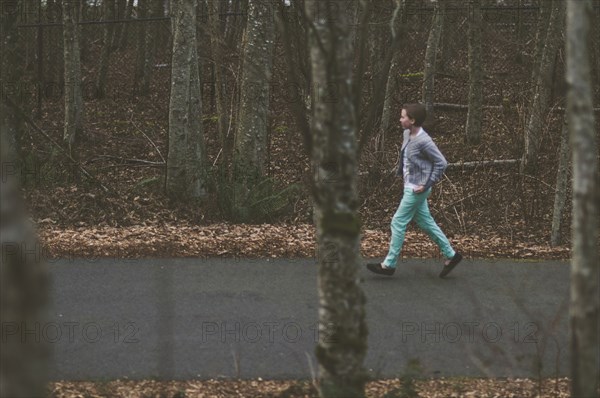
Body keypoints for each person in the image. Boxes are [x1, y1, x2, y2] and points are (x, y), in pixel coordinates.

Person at [367, 103, 462, 278]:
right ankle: (451, 255)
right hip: (410, 186)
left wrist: (427, 184)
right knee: (426, 223)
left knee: (397, 222)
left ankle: (389, 264)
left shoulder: (424, 141)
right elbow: (406, 157)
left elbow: (442, 163)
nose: (400, 119)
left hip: (417, 190)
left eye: (403, 117)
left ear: (412, 120)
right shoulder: (407, 134)